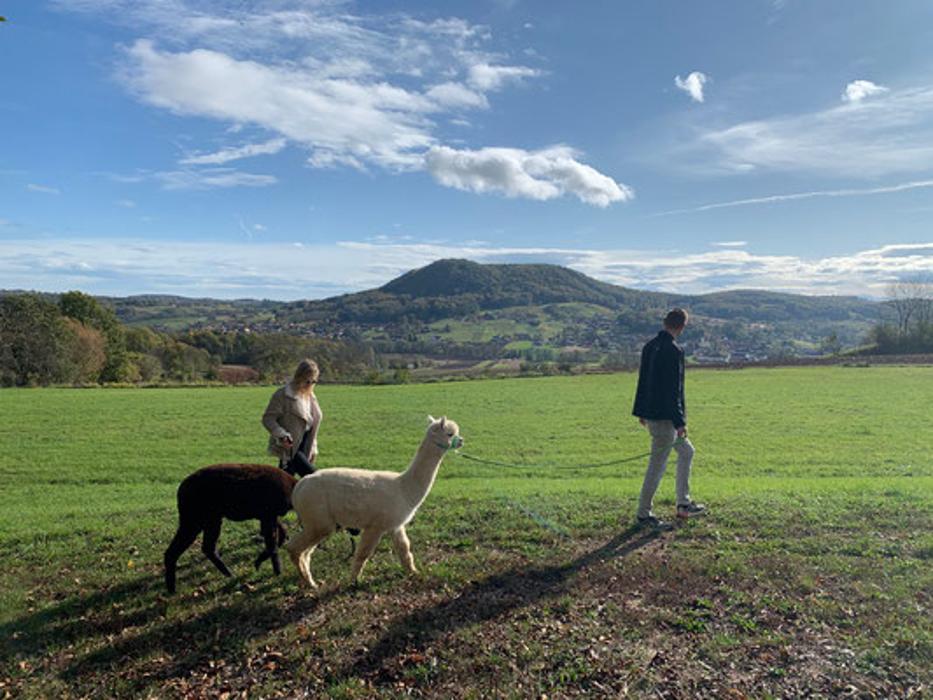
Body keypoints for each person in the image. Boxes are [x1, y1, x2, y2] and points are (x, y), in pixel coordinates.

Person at [632, 308, 706, 528]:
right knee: (657, 466)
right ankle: (644, 514)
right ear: (682, 327)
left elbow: (643, 381)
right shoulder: (674, 350)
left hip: (652, 414)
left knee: (687, 451)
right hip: (666, 418)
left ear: (665, 323)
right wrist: (680, 422)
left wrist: (641, 411)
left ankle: (684, 504)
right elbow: (674, 390)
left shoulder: (649, 346)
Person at [262, 359, 322, 474]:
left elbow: (311, 424)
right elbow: (268, 419)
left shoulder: (310, 396)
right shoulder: (283, 395)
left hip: (306, 445)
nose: (310, 384)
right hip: (290, 447)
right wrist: (282, 435)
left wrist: (313, 448)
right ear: (299, 377)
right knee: (312, 477)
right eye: (307, 381)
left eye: (313, 381)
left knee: (288, 481)